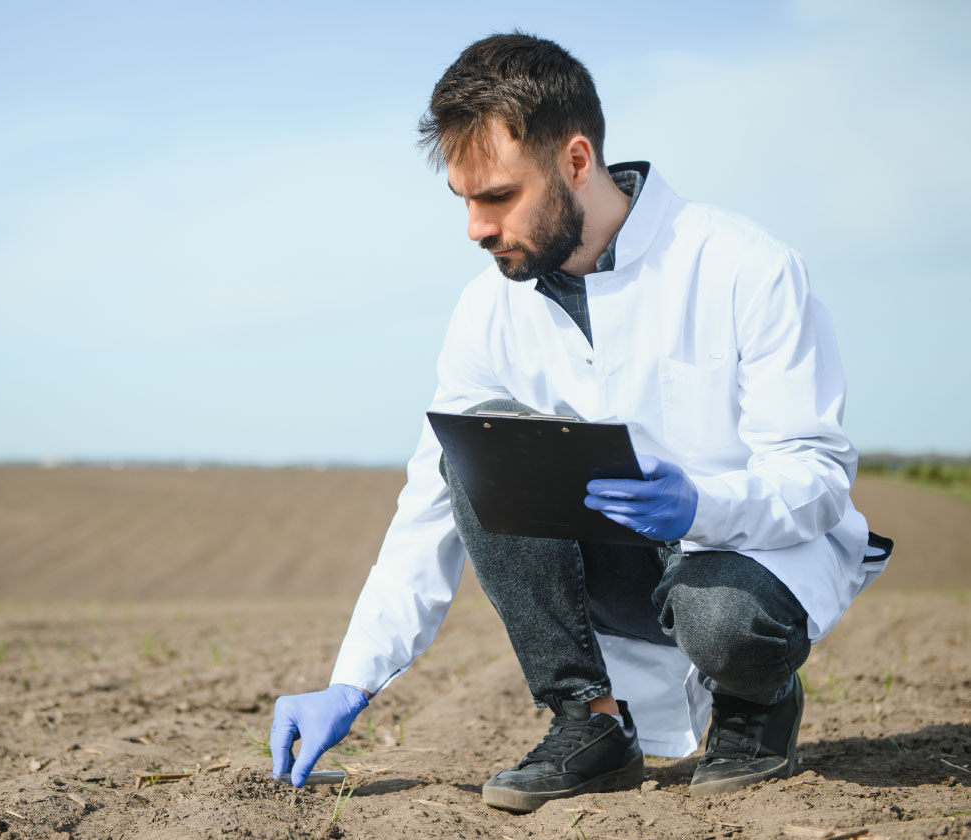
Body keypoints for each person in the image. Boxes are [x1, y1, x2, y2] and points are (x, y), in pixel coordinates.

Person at [269, 32, 890, 812]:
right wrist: (351, 680)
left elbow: (819, 475)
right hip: (622, 572)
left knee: (720, 613)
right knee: (475, 442)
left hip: (749, 564)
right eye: (463, 200)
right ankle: (590, 723)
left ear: (575, 160)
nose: (475, 227)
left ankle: (757, 699)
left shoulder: (742, 266)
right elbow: (432, 501)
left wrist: (702, 505)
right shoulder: (486, 311)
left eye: (497, 196)